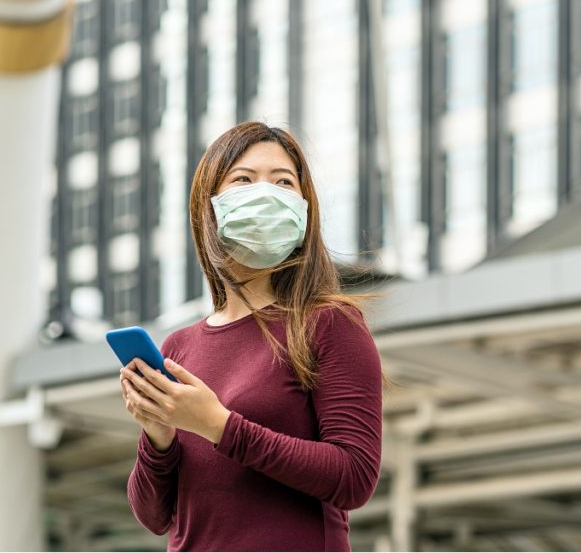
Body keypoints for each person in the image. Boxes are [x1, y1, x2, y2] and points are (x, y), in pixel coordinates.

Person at [120, 121, 384, 551]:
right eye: (243, 179)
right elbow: (155, 516)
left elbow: (354, 477)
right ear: (211, 206)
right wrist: (158, 436)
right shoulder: (178, 348)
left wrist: (218, 426)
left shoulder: (329, 324)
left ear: (303, 209)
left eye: (283, 182)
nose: (266, 193)